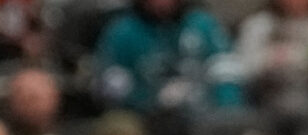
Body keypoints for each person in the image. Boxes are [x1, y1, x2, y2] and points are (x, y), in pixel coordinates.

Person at [93, 0, 239, 113]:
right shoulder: (121, 33)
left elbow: (226, 73)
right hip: (146, 122)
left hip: (203, 117)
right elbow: (112, 87)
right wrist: (150, 100)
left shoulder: (203, 25)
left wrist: (228, 112)